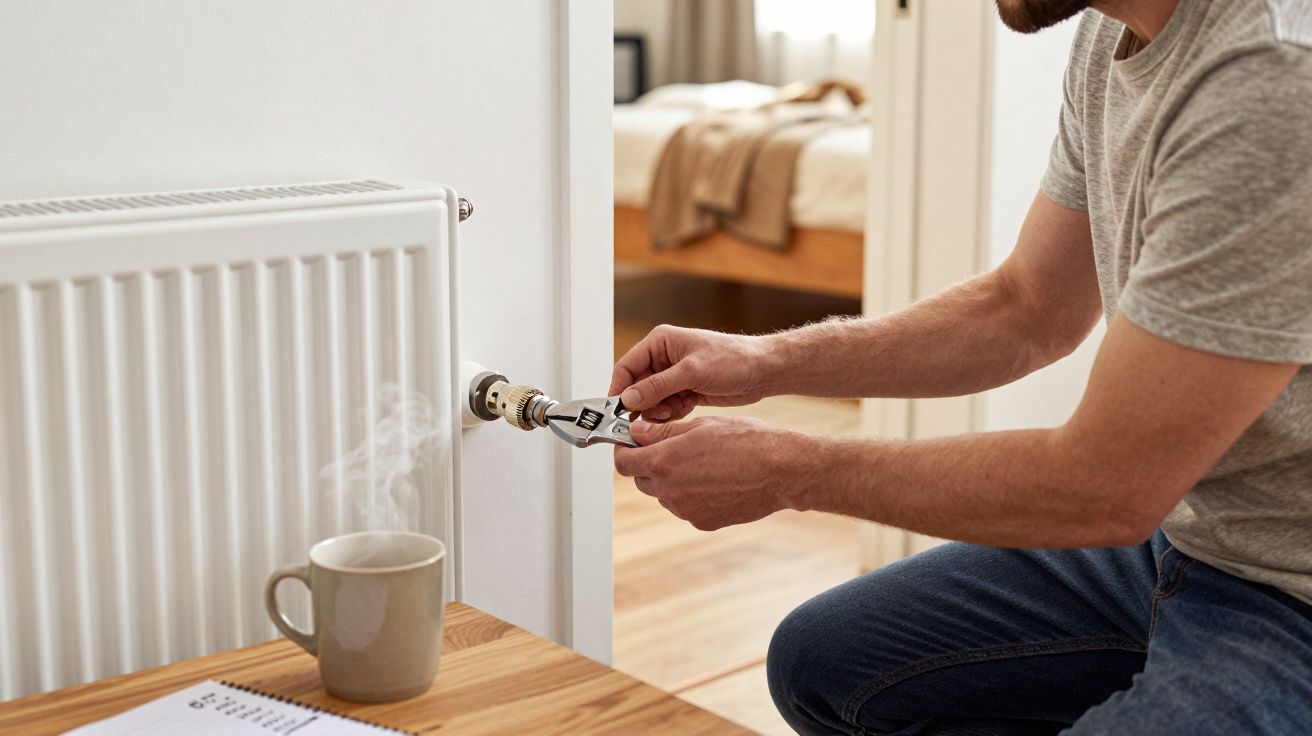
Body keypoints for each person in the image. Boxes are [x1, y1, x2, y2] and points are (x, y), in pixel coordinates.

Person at [609, 0, 1312, 732]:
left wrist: (790, 469)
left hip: (1295, 591)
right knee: (825, 662)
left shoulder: (1273, 79)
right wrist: (764, 360)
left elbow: (1105, 487)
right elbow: (1026, 307)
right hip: (1191, 537)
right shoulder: (1117, 30)